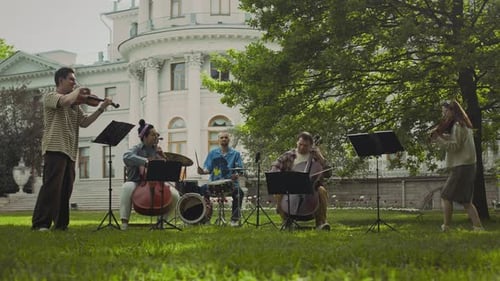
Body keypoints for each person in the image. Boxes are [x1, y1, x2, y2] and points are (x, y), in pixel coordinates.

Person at [32, 67, 113, 231]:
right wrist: (79, 92)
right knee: (51, 186)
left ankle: (61, 224)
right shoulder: (51, 96)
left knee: (65, 189)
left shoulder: (75, 107)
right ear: (60, 80)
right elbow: (65, 101)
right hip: (55, 147)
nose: (74, 82)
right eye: (71, 79)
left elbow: (85, 123)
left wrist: (102, 107)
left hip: (70, 150)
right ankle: (41, 223)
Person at [430, 100, 484, 232]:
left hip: (462, 167)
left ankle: (446, 227)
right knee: (466, 201)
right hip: (468, 165)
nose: (444, 115)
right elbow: (455, 141)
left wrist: (438, 138)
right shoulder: (462, 125)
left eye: (445, 112)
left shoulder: (458, 126)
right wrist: (443, 136)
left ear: (453, 111)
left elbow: (454, 146)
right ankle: (478, 227)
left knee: (446, 195)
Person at [119, 119, 180, 230]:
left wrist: (163, 157)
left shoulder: (157, 150)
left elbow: (165, 169)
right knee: (126, 187)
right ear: (144, 137)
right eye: (153, 135)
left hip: (156, 184)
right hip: (137, 182)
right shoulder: (137, 149)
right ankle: (124, 223)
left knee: (175, 195)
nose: (156, 137)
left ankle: (161, 222)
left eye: (156, 135)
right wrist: (145, 161)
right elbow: (126, 156)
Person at [270, 131, 331, 230]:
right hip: (292, 189)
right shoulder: (289, 155)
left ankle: (321, 223)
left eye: (305, 146)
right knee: (278, 192)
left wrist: (320, 156)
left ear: (311, 146)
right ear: (297, 143)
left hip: (311, 190)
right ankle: (286, 222)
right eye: (300, 144)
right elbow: (275, 165)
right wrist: (276, 172)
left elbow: (328, 174)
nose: (302, 147)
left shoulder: (316, 156)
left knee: (322, 190)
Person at [197, 131, 244, 227]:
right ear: (218, 140)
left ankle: (234, 220)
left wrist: (236, 175)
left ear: (229, 139)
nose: (224, 139)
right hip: (213, 183)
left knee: (239, 193)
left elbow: (240, 170)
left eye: (226, 137)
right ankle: (205, 218)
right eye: (222, 137)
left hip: (230, 184)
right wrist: (202, 172)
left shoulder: (235, 154)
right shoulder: (212, 153)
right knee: (200, 191)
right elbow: (208, 169)